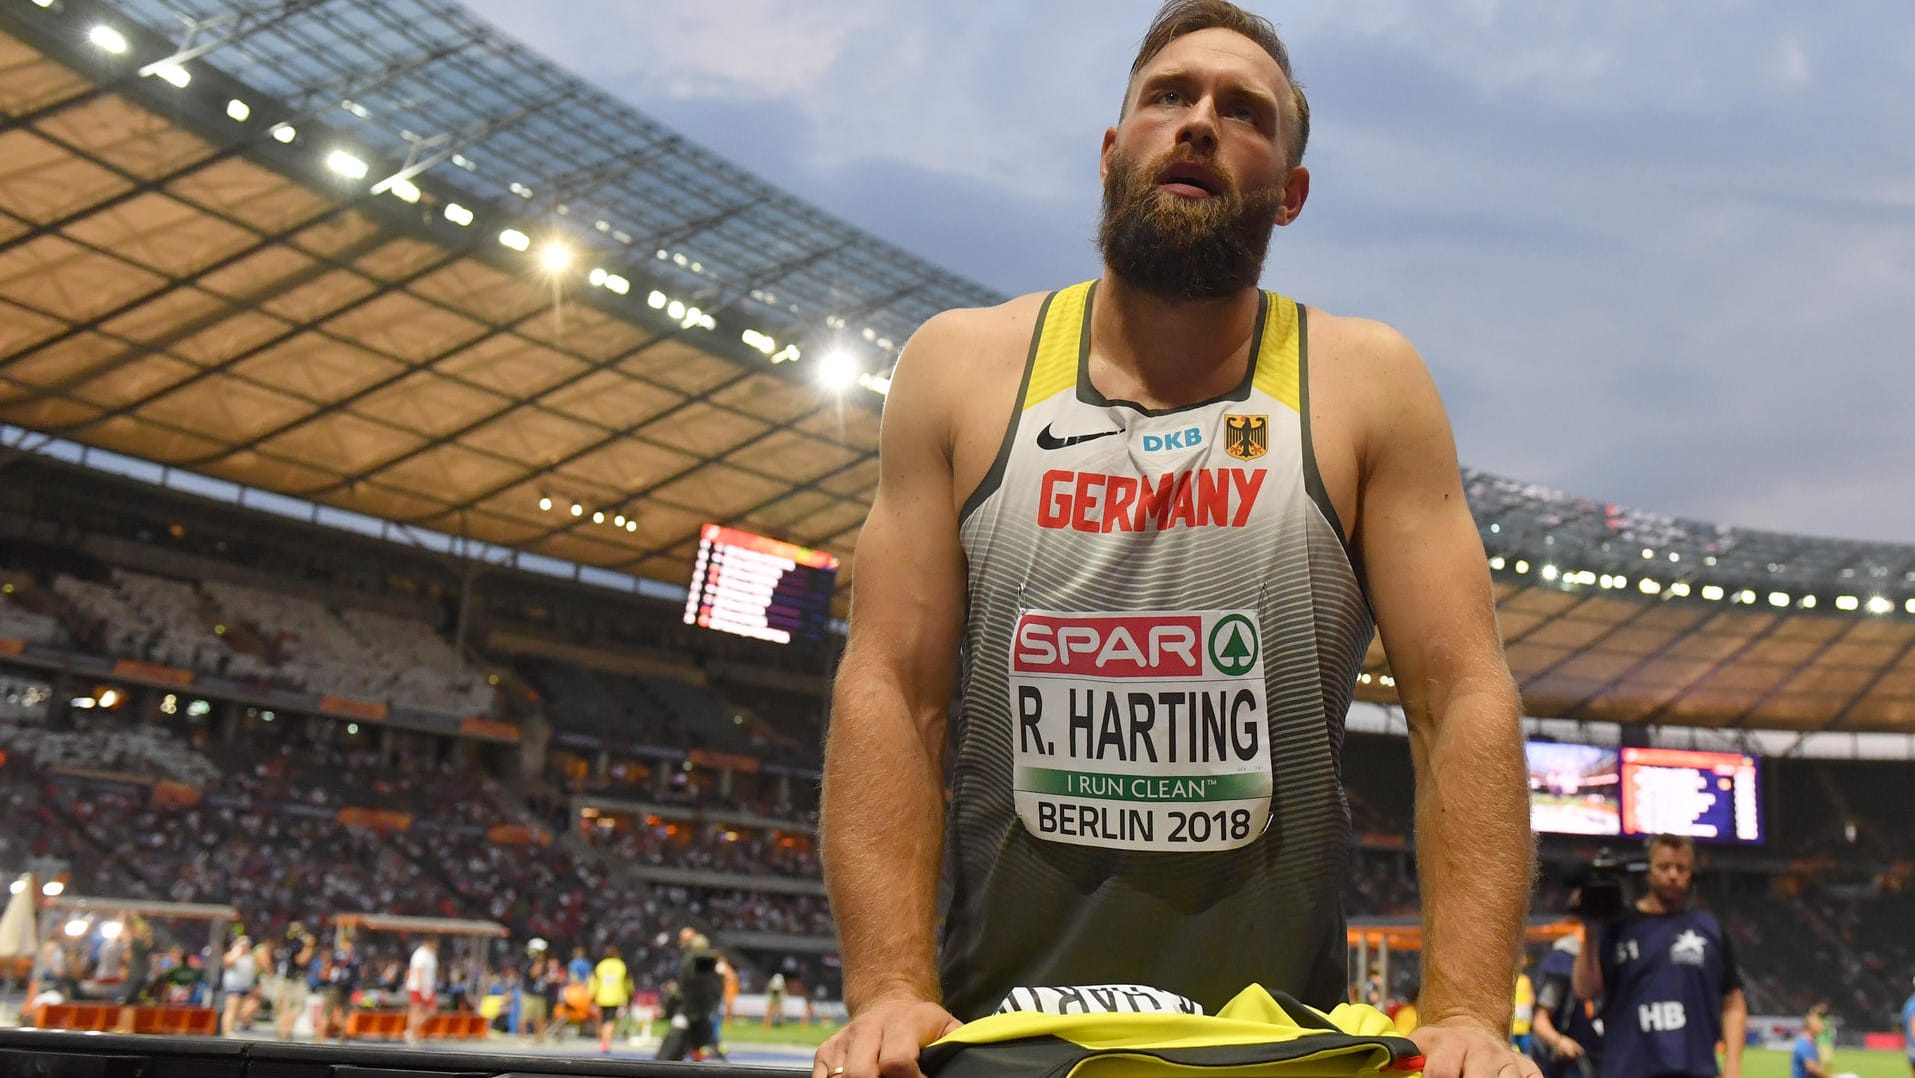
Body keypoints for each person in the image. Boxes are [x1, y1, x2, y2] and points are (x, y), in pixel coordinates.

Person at [815, 2, 1534, 1077]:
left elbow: (1461, 695)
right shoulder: (960, 369)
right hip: (995, 1040)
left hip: (1272, 1050)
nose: (1199, 122)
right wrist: (887, 990)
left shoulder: (1365, 384)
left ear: (1289, 192)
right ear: (1112, 153)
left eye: (1244, 112)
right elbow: (888, 683)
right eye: (1169, 96)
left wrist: (1470, 1007)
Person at [1572, 835, 1746, 1078]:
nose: (1673, 874)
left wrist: (1733, 1066)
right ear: (1648, 870)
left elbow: (1733, 1003)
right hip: (1628, 1070)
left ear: (1691, 873)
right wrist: (1590, 933)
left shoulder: (1709, 929)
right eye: (1664, 867)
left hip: (1695, 1070)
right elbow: (1585, 990)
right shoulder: (1618, 926)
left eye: (1681, 868)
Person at [1529, 935, 1600, 1078]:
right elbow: (1540, 1021)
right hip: (1573, 1063)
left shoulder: (1619, 951)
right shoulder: (1566, 960)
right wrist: (1559, 1041)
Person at [273, 923, 316, 1041]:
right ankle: (284, 1033)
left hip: (284, 979)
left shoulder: (287, 941)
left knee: (284, 1008)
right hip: (292, 981)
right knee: (296, 1007)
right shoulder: (296, 943)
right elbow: (301, 960)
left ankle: (283, 1033)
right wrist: (309, 946)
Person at [590, 946, 632, 1054]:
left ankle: (602, 1039)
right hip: (615, 998)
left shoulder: (601, 965)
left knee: (602, 1020)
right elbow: (627, 982)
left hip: (601, 997)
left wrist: (592, 995)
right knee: (610, 1021)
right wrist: (628, 996)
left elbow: (594, 981)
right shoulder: (621, 965)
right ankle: (606, 1043)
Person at [220, 934, 258, 1036]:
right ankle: (227, 1031)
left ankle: (243, 1024)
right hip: (234, 986)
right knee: (231, 1009)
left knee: (252, 1005)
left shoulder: (249, 956)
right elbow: (228, 963)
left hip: (246, 986)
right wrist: (237, 951)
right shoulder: (232, 955)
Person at [404, 938, 439, 1044]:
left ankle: (411, 1031)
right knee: (416, 1010)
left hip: (429, 987)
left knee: (431, 1011)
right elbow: (418, 971)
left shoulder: (432, 954)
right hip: (418, 987)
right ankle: (411, 1033)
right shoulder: (420, 954)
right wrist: (422, 989)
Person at [1790, 1006, 1831, 1078]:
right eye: (1819, 1023)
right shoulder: (1805, 1044)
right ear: (1811, 1026)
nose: (1822, 1025)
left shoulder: (1810, 1042)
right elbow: (1812, 1067)